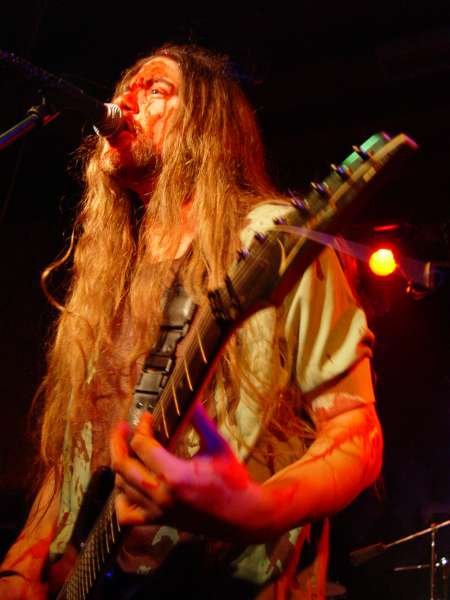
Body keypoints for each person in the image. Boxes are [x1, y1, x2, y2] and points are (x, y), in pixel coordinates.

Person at [0, 44, 383, 599]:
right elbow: (73, 460)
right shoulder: (107, 275)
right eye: (126, 87)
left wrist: (255, 511)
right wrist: (22, 564)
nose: (126, 100)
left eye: (155, 88)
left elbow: (356, 432)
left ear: (208, 125)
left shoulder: (273, 241)